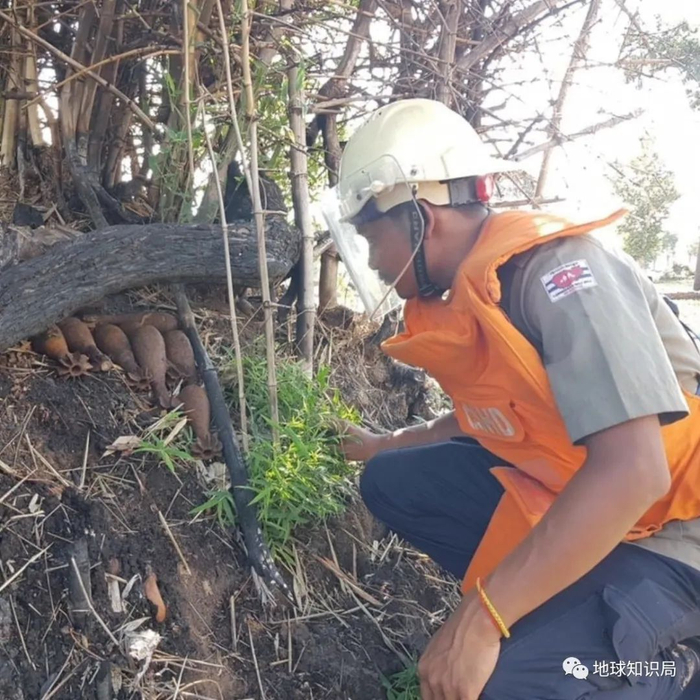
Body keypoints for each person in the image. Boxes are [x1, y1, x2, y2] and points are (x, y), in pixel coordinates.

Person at [327, 98, 700, 700]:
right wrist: (382, 444)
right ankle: (558, 616)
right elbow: (494, 418)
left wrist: (484, 616)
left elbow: (635, 470)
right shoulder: (474, 292)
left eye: (372, 238)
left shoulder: (563, 272)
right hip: (586, 498)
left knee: (504, 686)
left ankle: (670, 670)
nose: (371, 260)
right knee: (393, 481)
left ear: (421, 217)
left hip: (677, 531)